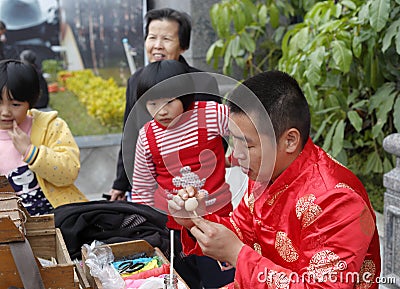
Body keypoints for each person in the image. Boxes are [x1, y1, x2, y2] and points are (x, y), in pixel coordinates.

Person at [169, 70, 381, 288]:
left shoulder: (337, 200)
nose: (235, 155)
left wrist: (238, 255)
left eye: (248, 145)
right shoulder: (265, 172)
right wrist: (197, 219)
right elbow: (240, 231)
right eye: (234, 141)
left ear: (289, 140)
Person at [131, 59, 234, 288]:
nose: (162, 111)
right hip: (174, 231)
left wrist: (236, 157)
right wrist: (143, 228)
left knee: (225, 282)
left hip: (219, 223)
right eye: (153, 103)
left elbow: (247, 133)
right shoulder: (147, 137)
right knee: (183, 283)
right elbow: (142, 188)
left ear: (185, 95)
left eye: (169, 101)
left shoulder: (210, 115)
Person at [109, 8, 221, 201]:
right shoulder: (136, 81)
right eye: (152, 38)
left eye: (167, 39)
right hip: (149, 183)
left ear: (183, 46)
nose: (157, 46)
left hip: (199, 187)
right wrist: (121, 183)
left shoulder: (202, 82)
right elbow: (130, 134)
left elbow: (220, 139)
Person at [0, 59, 87, 216]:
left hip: (61, 221)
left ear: (30, 102)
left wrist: (30, 152)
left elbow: (69, 172)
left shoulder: (51, 127)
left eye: (15, 104)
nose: (5, 111)